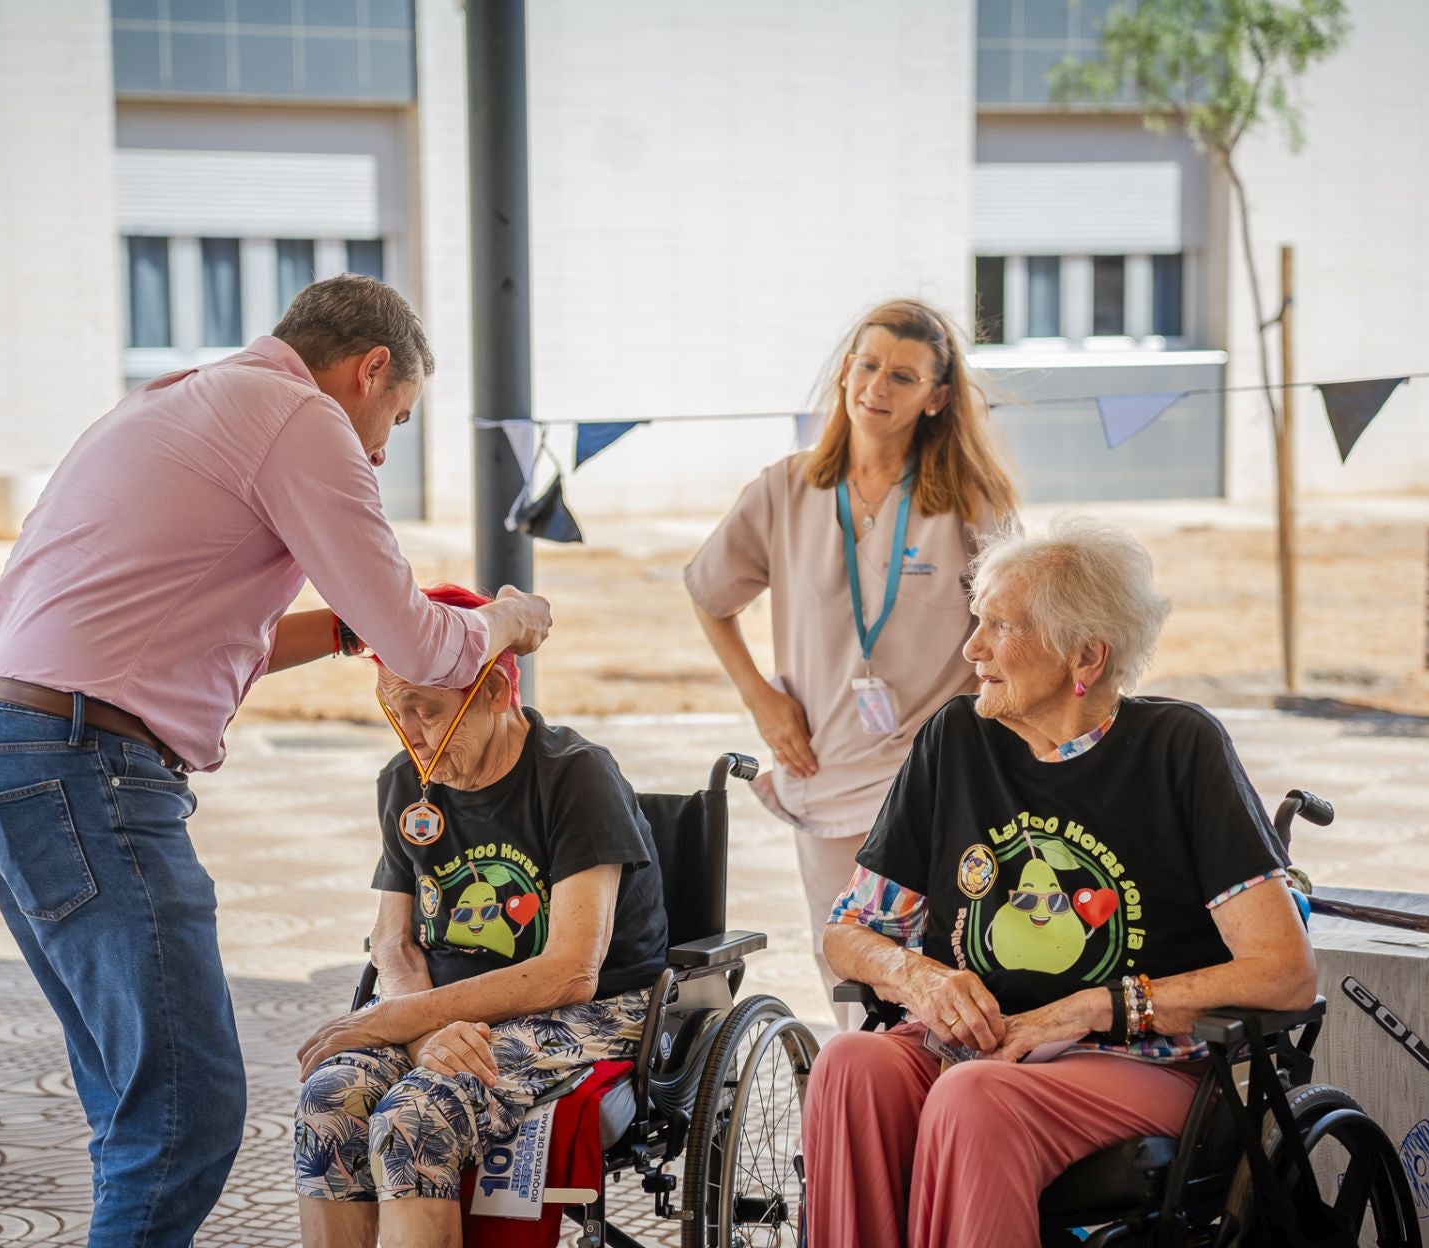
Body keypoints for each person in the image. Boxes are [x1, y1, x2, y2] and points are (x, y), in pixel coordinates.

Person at [0, 277, 553, 1246]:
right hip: (88, 765)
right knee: (187, 1107)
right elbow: (426, 646)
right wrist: (504, 622)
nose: (385, 449)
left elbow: (231, 638)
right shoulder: (301, 418)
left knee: (135, 1106)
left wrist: (356, 627)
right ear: (369, 370)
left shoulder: (172, 401)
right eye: (394, 417)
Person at [804, 517, 1319, 1248]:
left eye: (1001, 627)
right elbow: (849, 931)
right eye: (977, 621)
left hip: (1137, 1063)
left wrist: (1089, 1009)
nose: (971, 648)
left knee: (973, 1098)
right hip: (978, 1048)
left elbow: (1285, 974)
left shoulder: (1178, 750)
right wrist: (918, 978)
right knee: (850, 1062)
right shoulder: (955, 742)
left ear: (1086, 653)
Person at [292, 584, 667, 1248]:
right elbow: (394, 939)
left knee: (416, 1119)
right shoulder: (405, 782)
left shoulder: (575, 775)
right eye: (394, 709)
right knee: (328, 1102)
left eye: (426, 711)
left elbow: (571, 971)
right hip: (444, 1006)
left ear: (495, 692)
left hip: (586, 1009)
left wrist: (397, 1020)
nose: (411, 733)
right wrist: (421, 1023)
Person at [685, 298, 1020, 1025]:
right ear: (845, 373)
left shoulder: (970, 500)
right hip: (825, 766)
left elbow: (1022, 626)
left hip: (944, 774)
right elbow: (710, 593)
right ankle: (864, 1113)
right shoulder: (786, 488)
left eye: (903, 376)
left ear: (936, 398)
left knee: (955, 964)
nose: (878, 386)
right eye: (868, 365)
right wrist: (761, 700)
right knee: (848, 966)